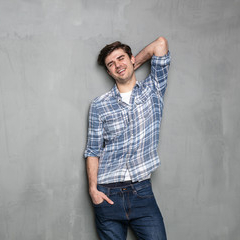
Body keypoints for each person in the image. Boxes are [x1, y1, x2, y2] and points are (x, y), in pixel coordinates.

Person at [84, 36, 171, 240]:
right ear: (108, 72)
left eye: (121, 58)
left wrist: (130, 66)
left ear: (132, 58)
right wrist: (93, 191)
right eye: (111, 64)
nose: (117, 65)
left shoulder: (154, 89)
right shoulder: (99, 105)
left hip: (141, 191)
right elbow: (93, 150)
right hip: (107, 193)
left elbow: (160, 44)